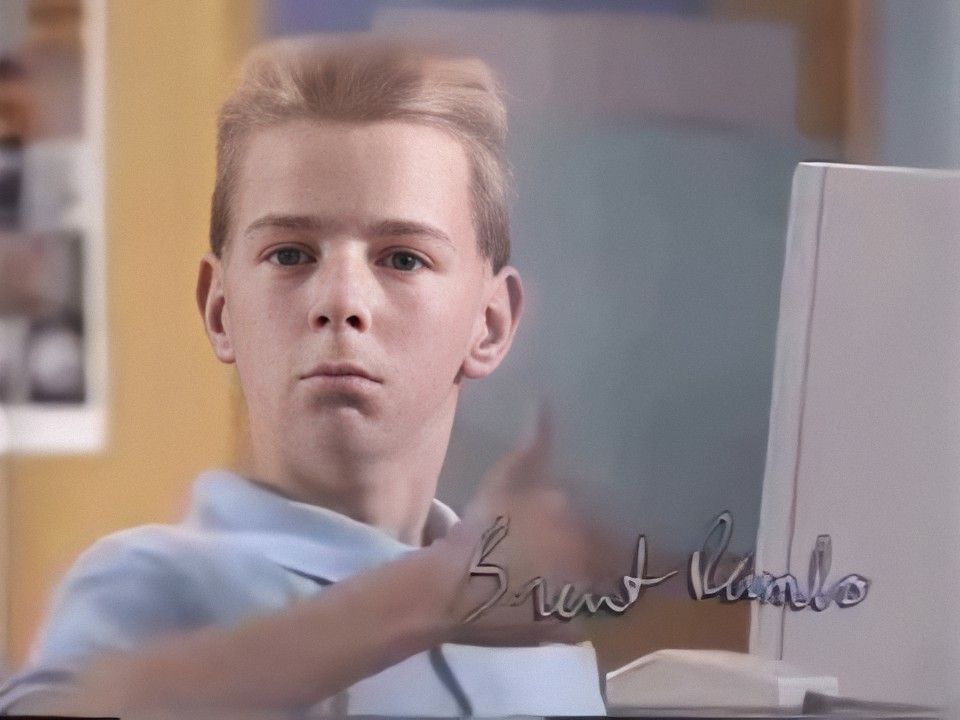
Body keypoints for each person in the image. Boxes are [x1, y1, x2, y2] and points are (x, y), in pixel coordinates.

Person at [0, 38, 608, 718]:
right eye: (290, 254)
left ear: (490, 324)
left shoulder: (544, 640)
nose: (340, 301)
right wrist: (444, 590)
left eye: (403, 259)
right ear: (220, 310)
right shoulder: (145, 586)